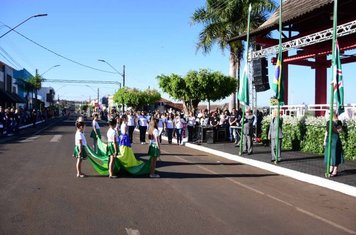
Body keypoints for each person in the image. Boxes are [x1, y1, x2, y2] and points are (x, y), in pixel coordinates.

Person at [323, 111, 344, 176]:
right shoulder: (328, 122)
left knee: (335, 154)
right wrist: (324, 140)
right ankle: (330, 169)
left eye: (331, 114)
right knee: (329, 154)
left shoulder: (338, 122)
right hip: (329, 139)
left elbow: (340, 131)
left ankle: (335, 170)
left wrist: (337, 123)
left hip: (335, 139)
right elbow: (326, 132)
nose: (330, 115)